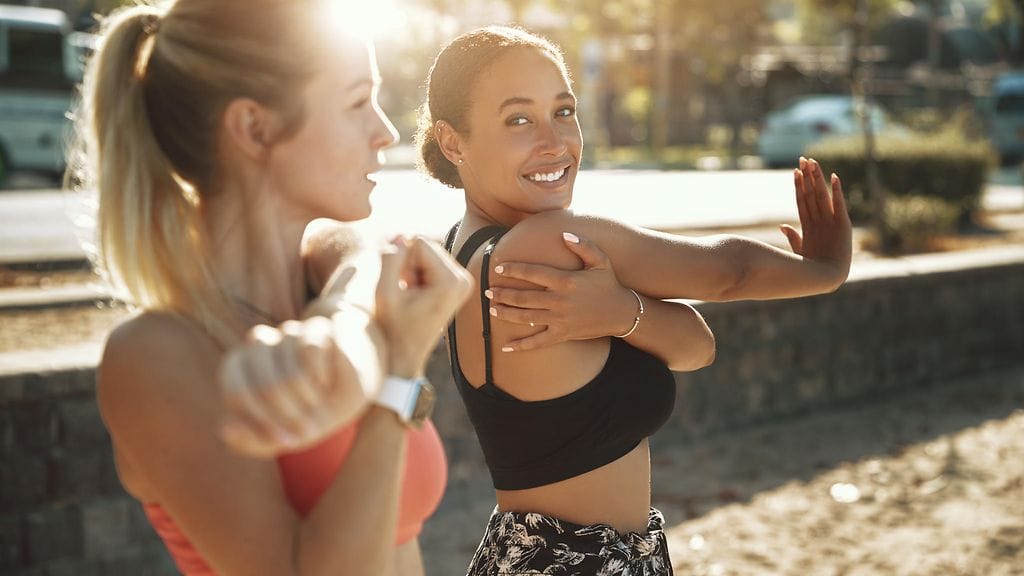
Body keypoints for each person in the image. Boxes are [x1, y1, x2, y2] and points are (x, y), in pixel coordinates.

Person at [416, 26, 852, 575]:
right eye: (518, 119)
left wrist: (622, 312)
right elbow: (725, 273)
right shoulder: (544, 246)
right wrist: (826, 270)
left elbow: (699, 344)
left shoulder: (463, 249)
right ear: (453, 141)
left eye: (564, 110)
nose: (556, 141)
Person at [78, 1, 472, 575]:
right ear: (255, 128)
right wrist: (399, 372)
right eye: (358, 101)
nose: (385, 131)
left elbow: (360, 255)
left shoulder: (325, 278)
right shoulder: (155, 354)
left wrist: (339, 324)